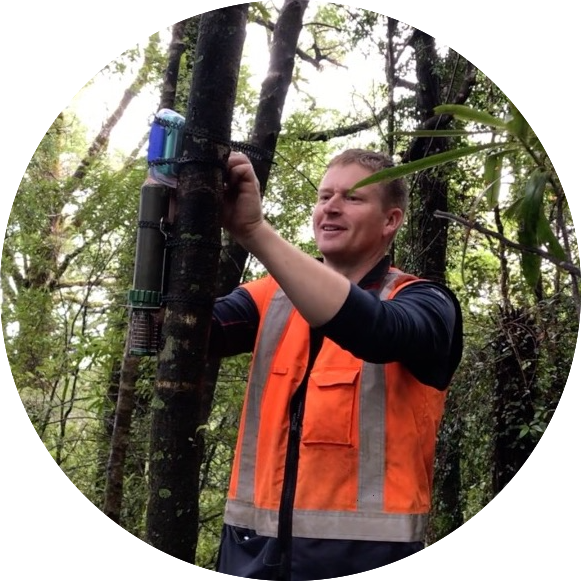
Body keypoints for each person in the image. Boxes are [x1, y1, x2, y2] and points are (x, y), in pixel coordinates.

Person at [208, 148, 463, 579]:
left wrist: (254, 232)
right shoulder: (269, 297)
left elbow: (376, 331)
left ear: (391, 221)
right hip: (249, 555)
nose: (331, 206)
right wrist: (166, 222)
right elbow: (180, 332)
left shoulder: (425, 302)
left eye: (352, 197)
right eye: (325, 195)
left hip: (366, 557)